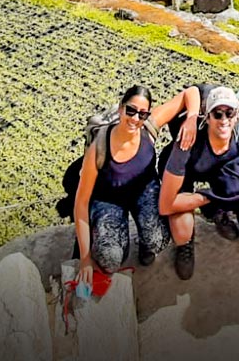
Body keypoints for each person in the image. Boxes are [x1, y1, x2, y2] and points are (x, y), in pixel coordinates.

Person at [74, 84, 200, 286]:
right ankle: (116, 241)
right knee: (110, 259)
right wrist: (85, 259)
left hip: (144, 190)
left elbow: (190, 92)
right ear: (120, 108)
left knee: (157, 241)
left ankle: (144, 243)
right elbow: (81, 203)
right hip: (109, 200)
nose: (135, 119)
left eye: (142, 114)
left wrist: (192, 118)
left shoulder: (148, 128)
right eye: (130, 111)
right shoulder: (98, 148)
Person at [159, 85, 239, 279]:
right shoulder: (187, 143)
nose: (224, 120)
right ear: (207, 117)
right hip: (186, 173)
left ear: (236, 115)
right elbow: (166, 206)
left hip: (218, 172)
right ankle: (186, 245)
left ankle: (217, 212)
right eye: (217, 114)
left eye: (229, 113)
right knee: (182, 231)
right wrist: (213, 196)